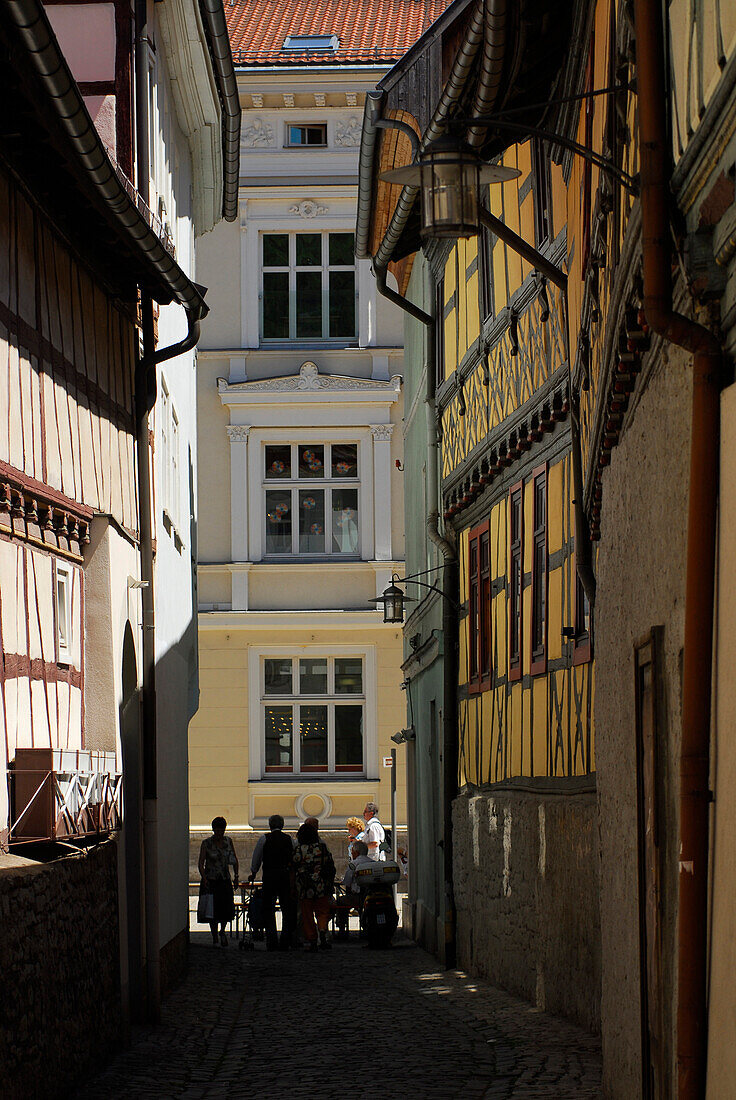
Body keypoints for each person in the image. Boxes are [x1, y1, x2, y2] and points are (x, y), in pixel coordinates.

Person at [250, 814, 295, 951]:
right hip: (284, 876)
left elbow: (257, 857)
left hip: (269, 876)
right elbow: (294, 858)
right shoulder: (289, 839)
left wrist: (254, 871)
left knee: (268, 908)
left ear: (270, 826)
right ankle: (285, 940)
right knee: (286, 908)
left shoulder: (264, 839)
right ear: (282, 825)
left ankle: (271, 940)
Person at [292, 821, 336, 952]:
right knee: (322, 911)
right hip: (320, 884)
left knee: (307, 914)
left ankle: (312, 940)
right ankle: (322, 932)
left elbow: (293, 867)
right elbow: (330, 864)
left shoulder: (299, 850)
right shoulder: (321, 848)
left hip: (304, 886)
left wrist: (293, 885)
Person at [198, 816, 238, 947]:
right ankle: (214, 935)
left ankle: (222, 931)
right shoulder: (206, 843)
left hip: (225, 879)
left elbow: (234, 859)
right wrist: (204, 878)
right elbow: (201, 862)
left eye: (222, 830)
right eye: (217, 830)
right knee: (212, 910)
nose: (220, 833)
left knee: (225, 909)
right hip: (211, 880)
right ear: (213, 830)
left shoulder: (228, 841)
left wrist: (236, 875)